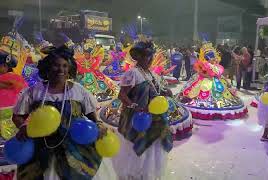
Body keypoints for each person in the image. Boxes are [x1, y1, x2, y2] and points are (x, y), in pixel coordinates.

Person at [12, 45, 109, 179]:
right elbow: (18, 116)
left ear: (69, 69)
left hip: (73, 149)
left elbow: (92, 117)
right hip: (40, 146)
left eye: (65, 66)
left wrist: (99, 125)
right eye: (56, 65)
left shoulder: (79, 91)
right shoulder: (34, 91)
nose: (61, 70)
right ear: (47, 67)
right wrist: (23, 126)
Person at [114, 41, 173, 179]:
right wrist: (134, 106)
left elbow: (155, 91)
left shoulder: (151, 74)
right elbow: (121, 95)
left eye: (152, 56)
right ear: (139, 57)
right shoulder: (132, 73)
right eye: (147, 56)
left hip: (153, 118)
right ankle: (135, 174)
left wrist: (165, 92)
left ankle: (147, 174)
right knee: (137, 148)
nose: (151, 59)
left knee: (151, 149)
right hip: (137, 118)